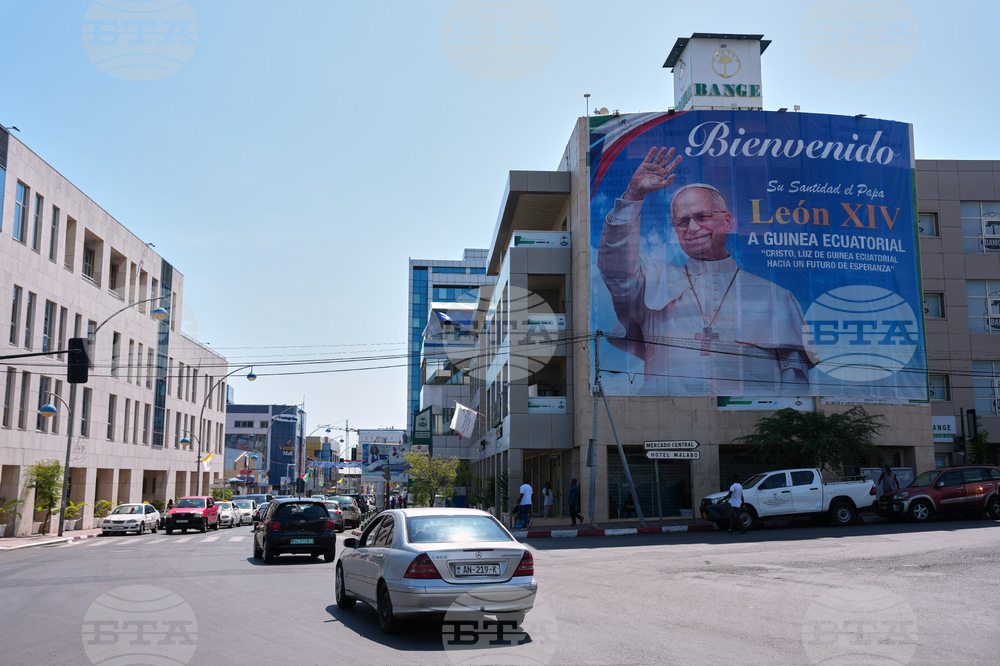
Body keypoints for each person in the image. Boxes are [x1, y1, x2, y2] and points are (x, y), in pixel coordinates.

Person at [597, 146, 812, 396]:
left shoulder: (775, 296)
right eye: (683, 221)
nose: (693, 228)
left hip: (755, 424)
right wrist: (633, 195)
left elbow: (795, 378)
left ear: (727, 222)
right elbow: (615, 267)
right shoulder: (653, 278)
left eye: (702, 216)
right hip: (664, 414)